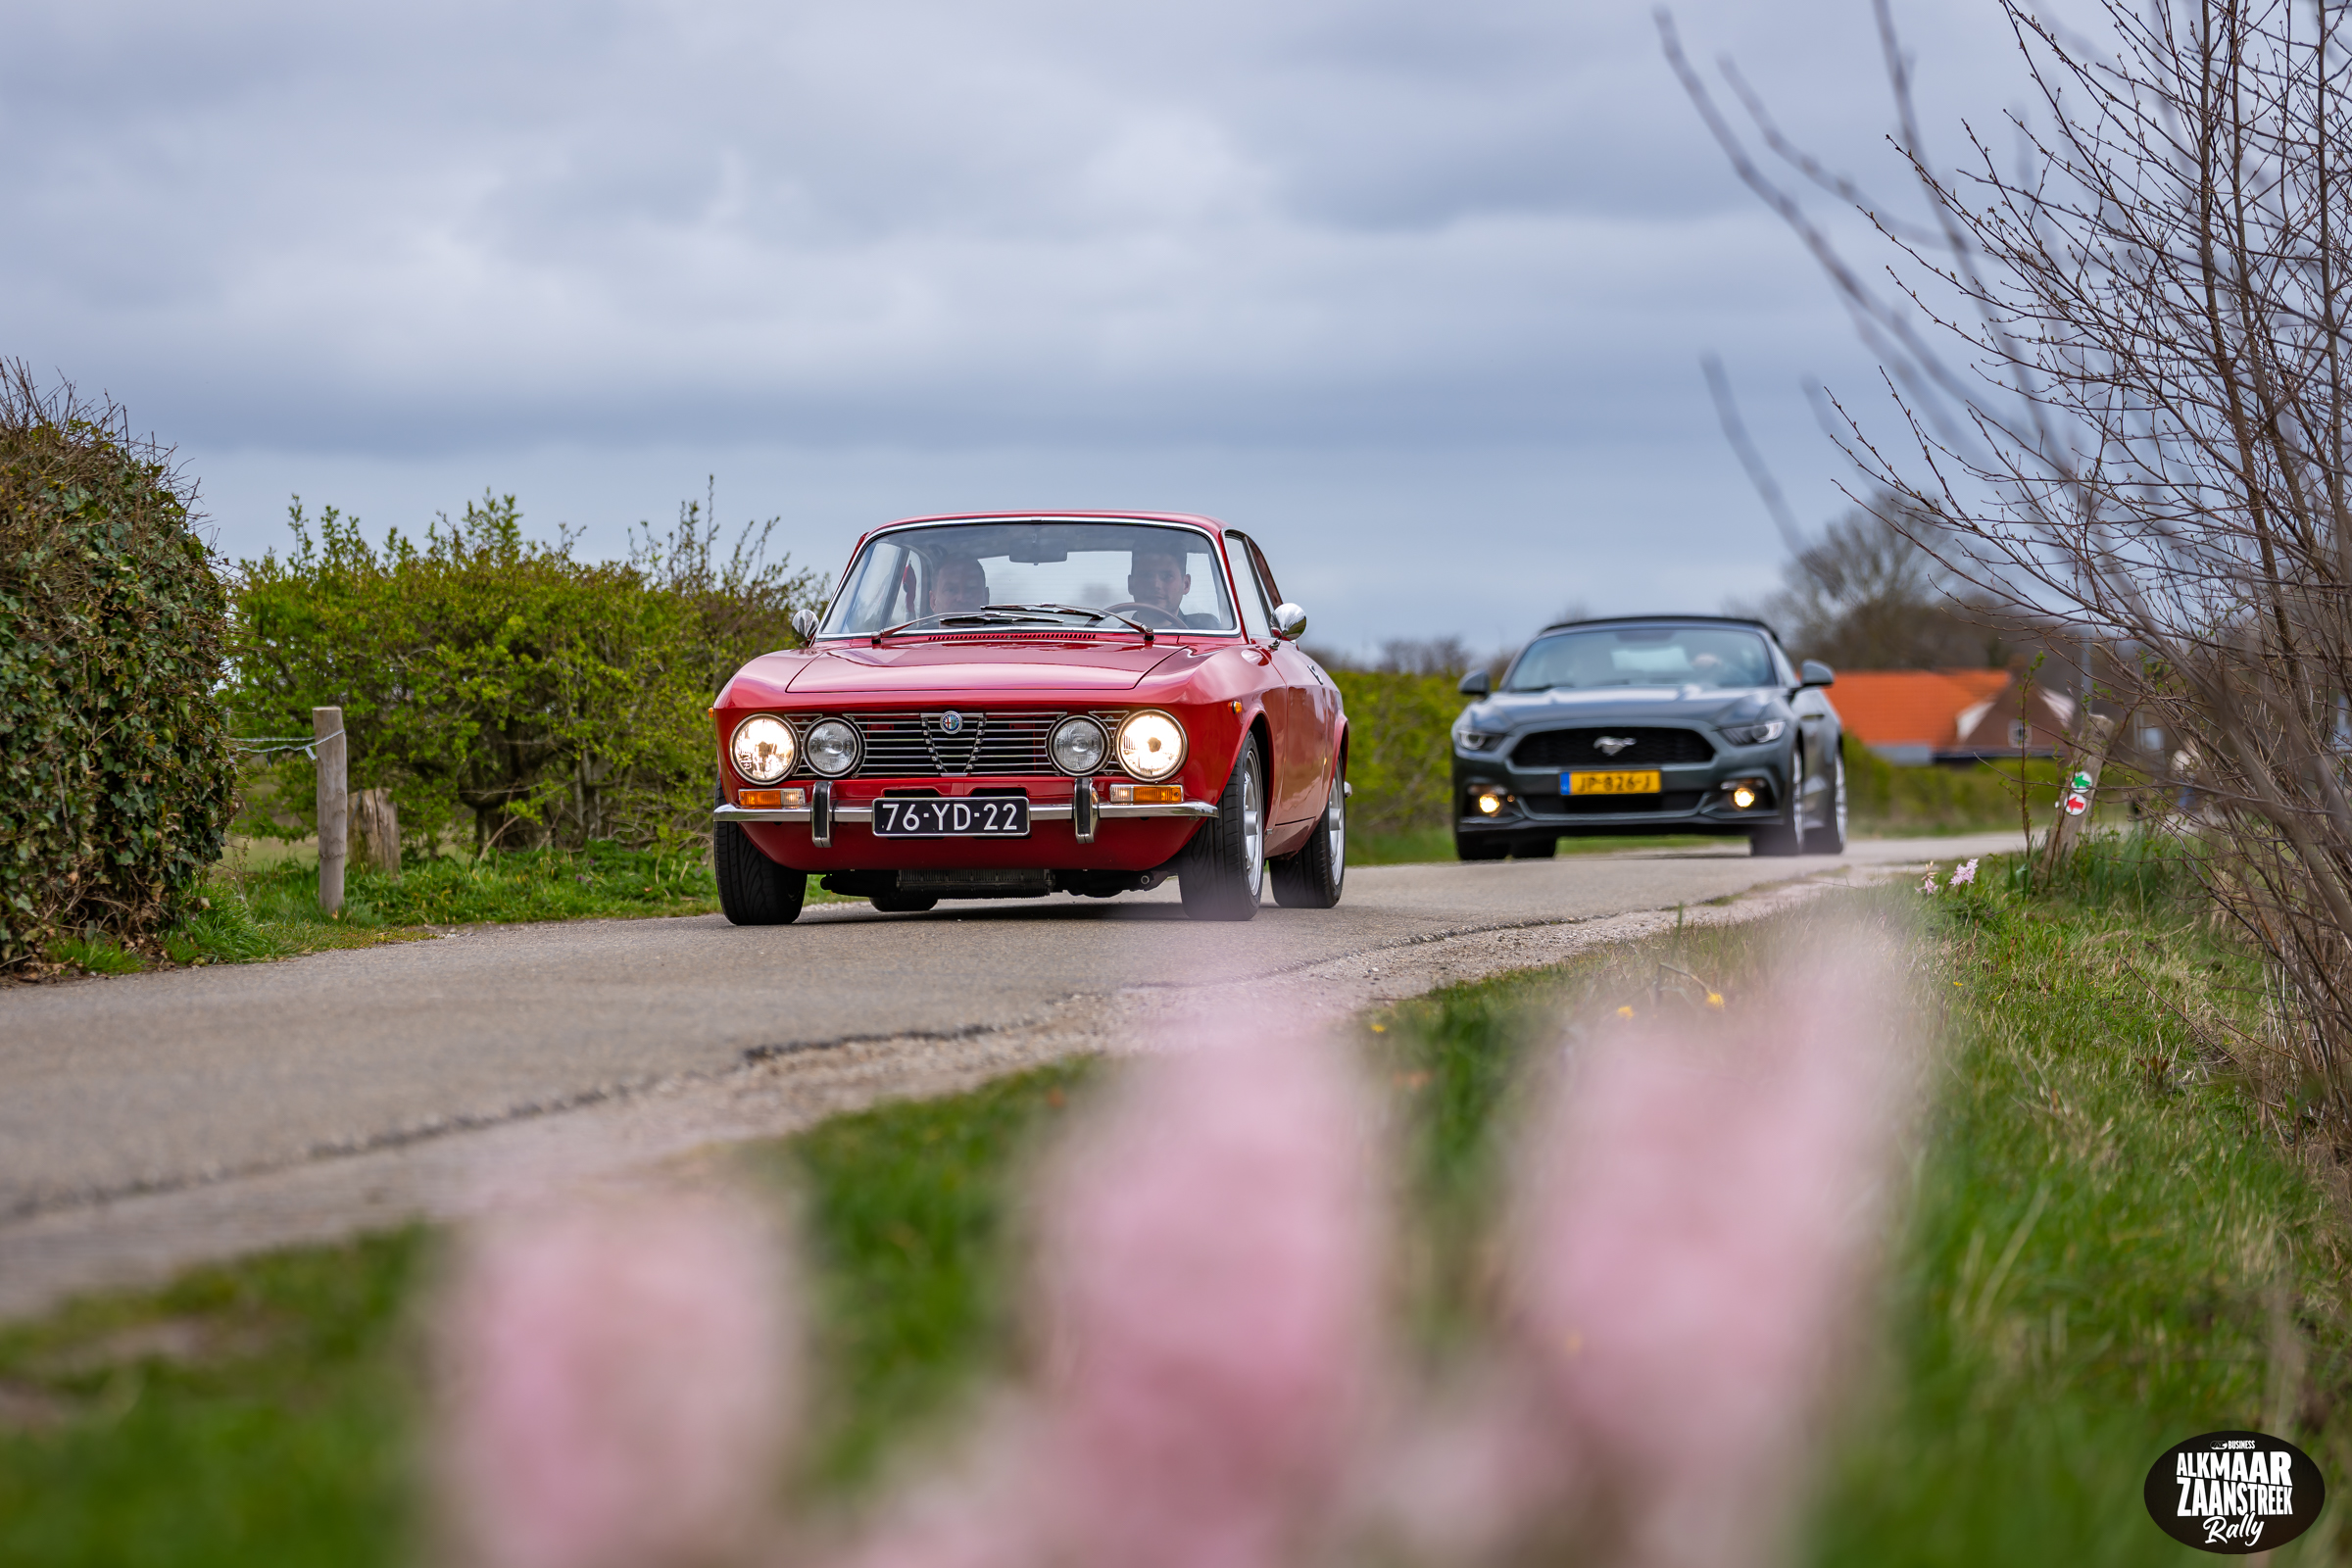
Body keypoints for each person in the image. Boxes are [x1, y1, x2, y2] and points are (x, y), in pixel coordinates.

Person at [1125, 548, 1192, 619]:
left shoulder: (1200, 625)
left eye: (1167, 576)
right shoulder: (1115, 627)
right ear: (1131, 584)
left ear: (1185, 584)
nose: (1156, 585)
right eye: (1146, 575)